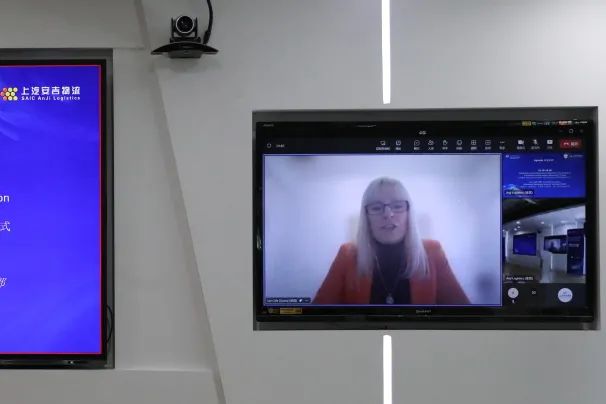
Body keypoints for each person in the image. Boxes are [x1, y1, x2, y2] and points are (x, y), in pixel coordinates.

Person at [313, 177, 469, 305]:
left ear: (409, 212)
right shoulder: (347, 254)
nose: (388, 214)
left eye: (397, 206)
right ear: (366, 217)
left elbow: (462, 313)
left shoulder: (432, 251)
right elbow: (318, 314)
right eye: (376, 208)